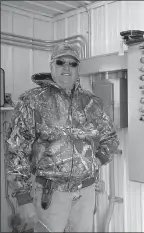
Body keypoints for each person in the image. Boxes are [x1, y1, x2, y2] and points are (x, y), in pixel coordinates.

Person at [5, 43, 120, 232]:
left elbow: (111, 138)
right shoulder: (32, 101)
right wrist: (23, 198)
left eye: (72, 64)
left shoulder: (92, 102)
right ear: (52, 67)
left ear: (78, 69)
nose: (67, 67)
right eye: (61, 62)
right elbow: (17, 149)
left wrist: (98, 160)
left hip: (86, 193)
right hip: (50, 195)